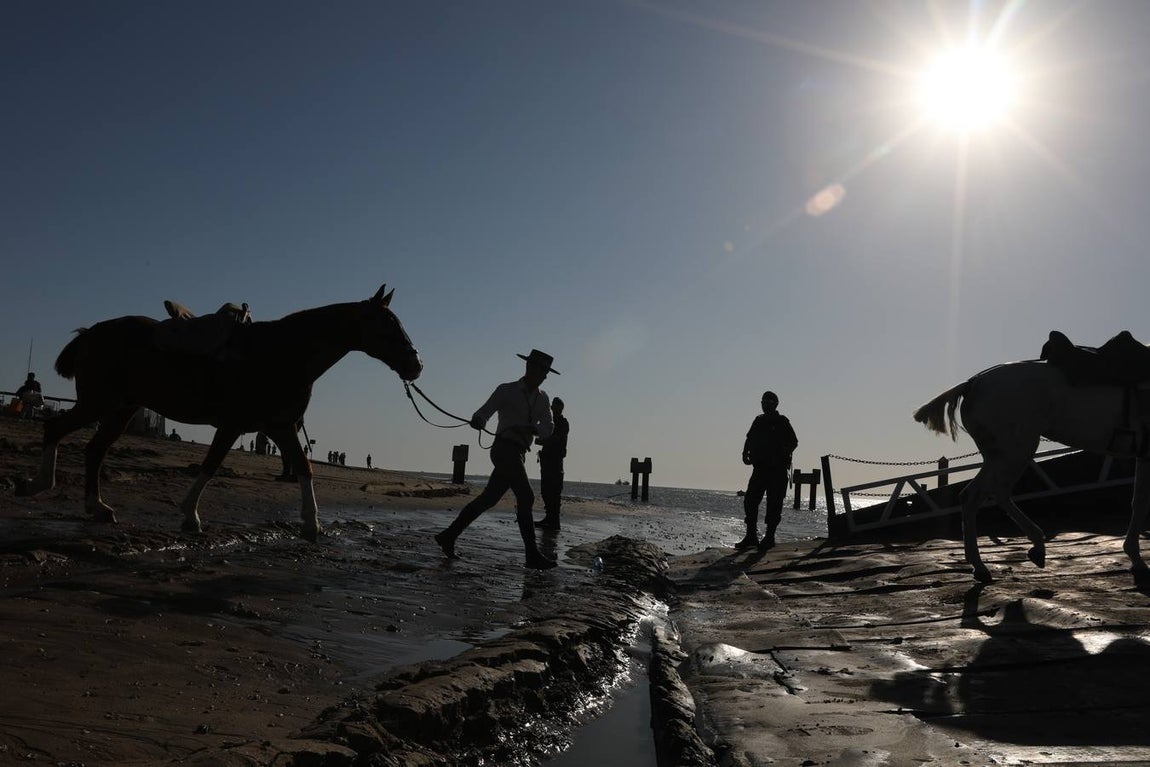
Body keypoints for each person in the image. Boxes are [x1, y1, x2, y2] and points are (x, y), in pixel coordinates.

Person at [435, 349, 559, 569]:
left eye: (546, 372)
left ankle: (448, 535)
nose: (544, 376)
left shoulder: (543, 398)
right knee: (527, 496)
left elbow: (548, 428)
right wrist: (479, 420)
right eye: (541, 370)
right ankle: (531, 555)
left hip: (519, 453)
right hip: (503, 449)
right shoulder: (506, 390)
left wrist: (530, 428)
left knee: (488, 500)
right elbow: (484, 412)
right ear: (530, 368)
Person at [735, 390, 798, 552]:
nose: (764, 405)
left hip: (777, 471)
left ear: (775, 404)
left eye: (768, 403)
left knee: (774, 503)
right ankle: (751, 536)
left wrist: (781, 454)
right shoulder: (759, 421)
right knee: (750, 500)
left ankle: (769, 537)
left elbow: (793, 442)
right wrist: (745, 453)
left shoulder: (782, 422)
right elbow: (749, 438)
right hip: (760, 468)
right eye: (763, 402)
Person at [535, 397, 569, 531]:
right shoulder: (549, 421)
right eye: (553, 406)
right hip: (547, 460)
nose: (553, 409)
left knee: (553, 492)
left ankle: (554, 521)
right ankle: (550, 519)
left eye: (556, 406)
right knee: (545, 490)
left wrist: (541, 442)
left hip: (555, 461)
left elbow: (556, 439)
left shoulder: (562, 423)